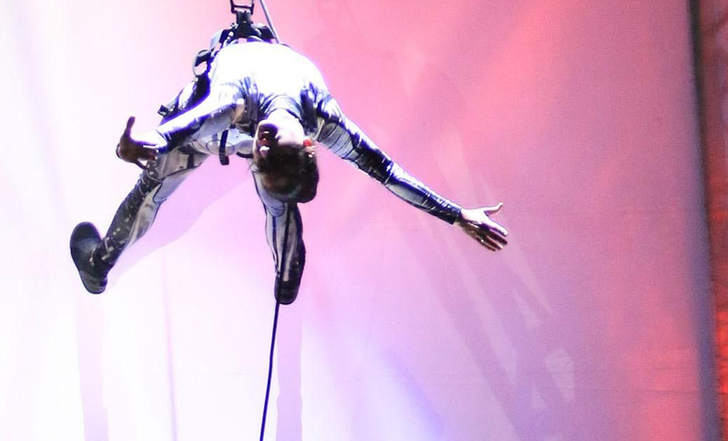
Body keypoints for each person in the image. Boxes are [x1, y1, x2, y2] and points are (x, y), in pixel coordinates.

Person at [70, 19, 506, 302]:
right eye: (275, 149)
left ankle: (101, 263)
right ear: (312, 145)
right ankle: (285, 271)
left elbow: (189, 127)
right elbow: (388, 173)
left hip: (218, 131)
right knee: (263, 198)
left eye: (260, 156)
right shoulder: (323, 119)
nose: (263, 143)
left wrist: (147, 143)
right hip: (223, 122)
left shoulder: (238, 108)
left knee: (163, 185)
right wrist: (456, 213)